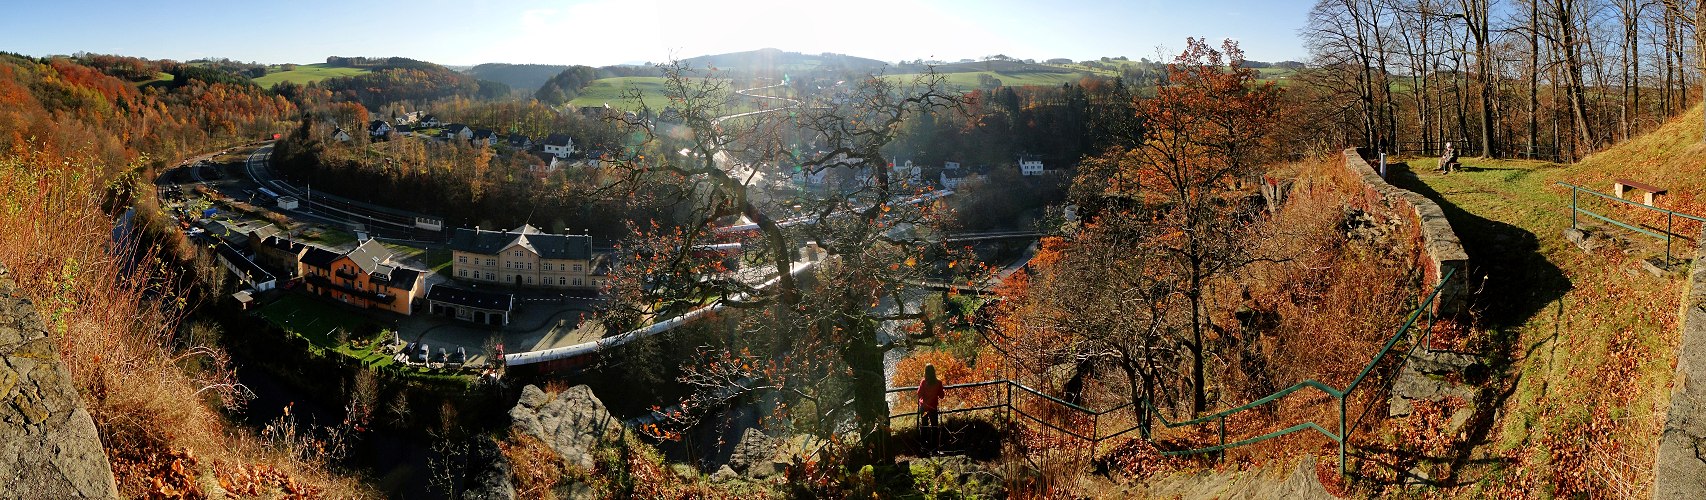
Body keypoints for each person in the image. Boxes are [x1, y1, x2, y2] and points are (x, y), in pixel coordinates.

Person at [917, 364, 944, 431]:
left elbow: (919, 393)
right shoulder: (938, 382)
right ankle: (934, 441)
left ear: (925, 372)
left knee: (924, 426)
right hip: (933, 408)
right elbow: (942, 396)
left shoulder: (923, 382)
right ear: (934, 372)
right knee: (934, 427)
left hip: (924, 407)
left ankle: (924, 440)